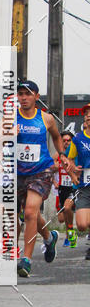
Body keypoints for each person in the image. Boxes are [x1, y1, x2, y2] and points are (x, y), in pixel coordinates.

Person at [16, 80, 67, 277]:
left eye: (28, 94)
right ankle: (49, 237)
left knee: (30, 212)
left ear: (36, 97)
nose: (24, 98)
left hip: (41, 171)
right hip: (18, 172)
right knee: (32, 213)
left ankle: (26, 259)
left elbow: (56, 136)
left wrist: (61, 154)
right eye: (21, 94)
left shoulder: (46, 118)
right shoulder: (11, 117)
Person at [65, 103, 90, 260]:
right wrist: (73, 174)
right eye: (86, 114)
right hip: (84, 186)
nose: (88, 116)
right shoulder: (78, 139)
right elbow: (68, 160)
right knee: (81, 225)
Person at [54, 131, 77, 247]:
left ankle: (70, 234)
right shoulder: (58, 154)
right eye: (64, 140)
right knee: (61, 219)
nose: (66, 142)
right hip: (62, 188)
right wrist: (54, 181)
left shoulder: (76, 152)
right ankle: (70, 232)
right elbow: (49, 167)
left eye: (69, 140)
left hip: (73, 187)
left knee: (68, 208)